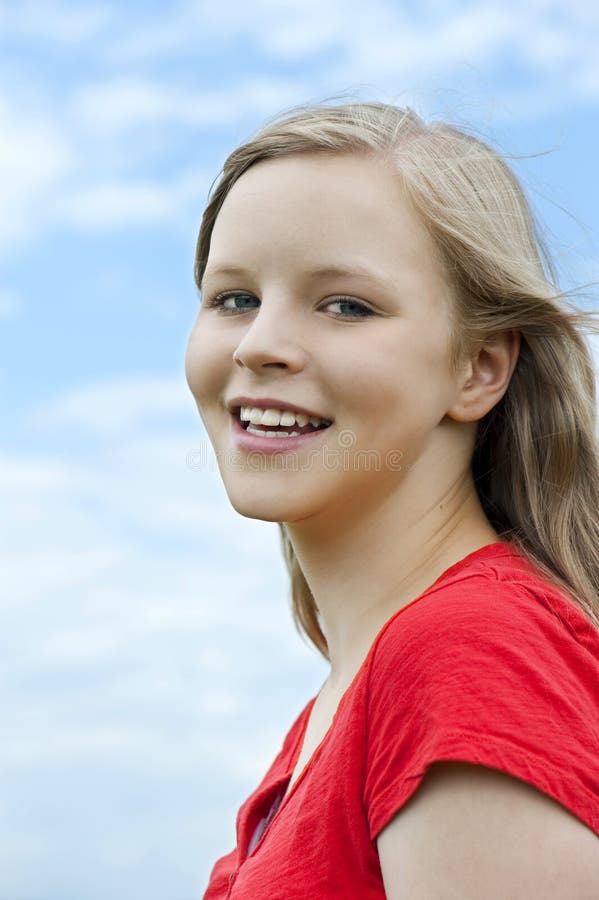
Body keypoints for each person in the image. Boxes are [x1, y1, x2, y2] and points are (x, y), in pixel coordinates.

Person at [185, 101, 599, 898]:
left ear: (477, 368)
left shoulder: (464, 653)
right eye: (234, 298)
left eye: (346, 305)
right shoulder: (352, 695)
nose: (259, 344)